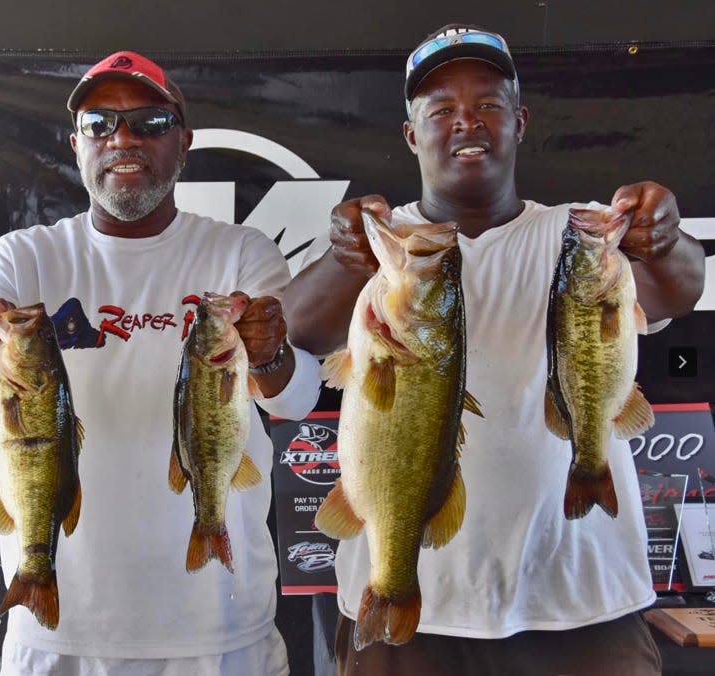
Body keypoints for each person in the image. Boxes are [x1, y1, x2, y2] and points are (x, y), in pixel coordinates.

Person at [282, 24, 705, 676]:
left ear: (520, 121)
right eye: (441, 110)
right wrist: (342, 261)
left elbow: (677, 288)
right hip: (408, 614)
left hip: (583, 600)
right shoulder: (376, 243)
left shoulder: (577, 233)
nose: (466, 122)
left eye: (487, 105)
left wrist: (667, 235)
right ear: (410, 134)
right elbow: (294, 331)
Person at [0, 50, 321, 675]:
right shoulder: (22, 256)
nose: (123, 139)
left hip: (218, 626)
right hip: (57, 632)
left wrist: (272, 351)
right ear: (76, 144)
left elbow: (295, 399)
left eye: (149, 122)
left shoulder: (240, 253)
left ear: (183, 142)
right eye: (99, 124)